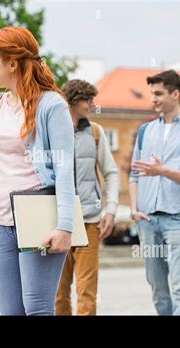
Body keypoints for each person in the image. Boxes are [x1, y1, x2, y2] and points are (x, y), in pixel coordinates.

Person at [0, 27, 75, 316]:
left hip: (39, 218)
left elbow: (65, 166)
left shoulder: (51, 104)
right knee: (11, 311)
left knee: (37, 309)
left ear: (13, 62)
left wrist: (65, 225)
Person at [129, 70, 180, 315]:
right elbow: (134, 175)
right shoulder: (145, 131)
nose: (153, 99)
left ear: (176, 93)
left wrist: (162, 171)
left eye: (159, 93)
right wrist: (133, 210)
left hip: (177, 219)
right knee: (157, 286)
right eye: (152, 93)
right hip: (148, 220)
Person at [56, 79, 119, 315]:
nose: (91, 105)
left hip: (89, 221)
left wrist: (111, 209)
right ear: (73, 100)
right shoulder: (51, 130)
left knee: (87, 291)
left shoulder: (95, 132)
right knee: (58, 292)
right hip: (57, 222)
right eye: (87, 100)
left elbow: (111, 173)